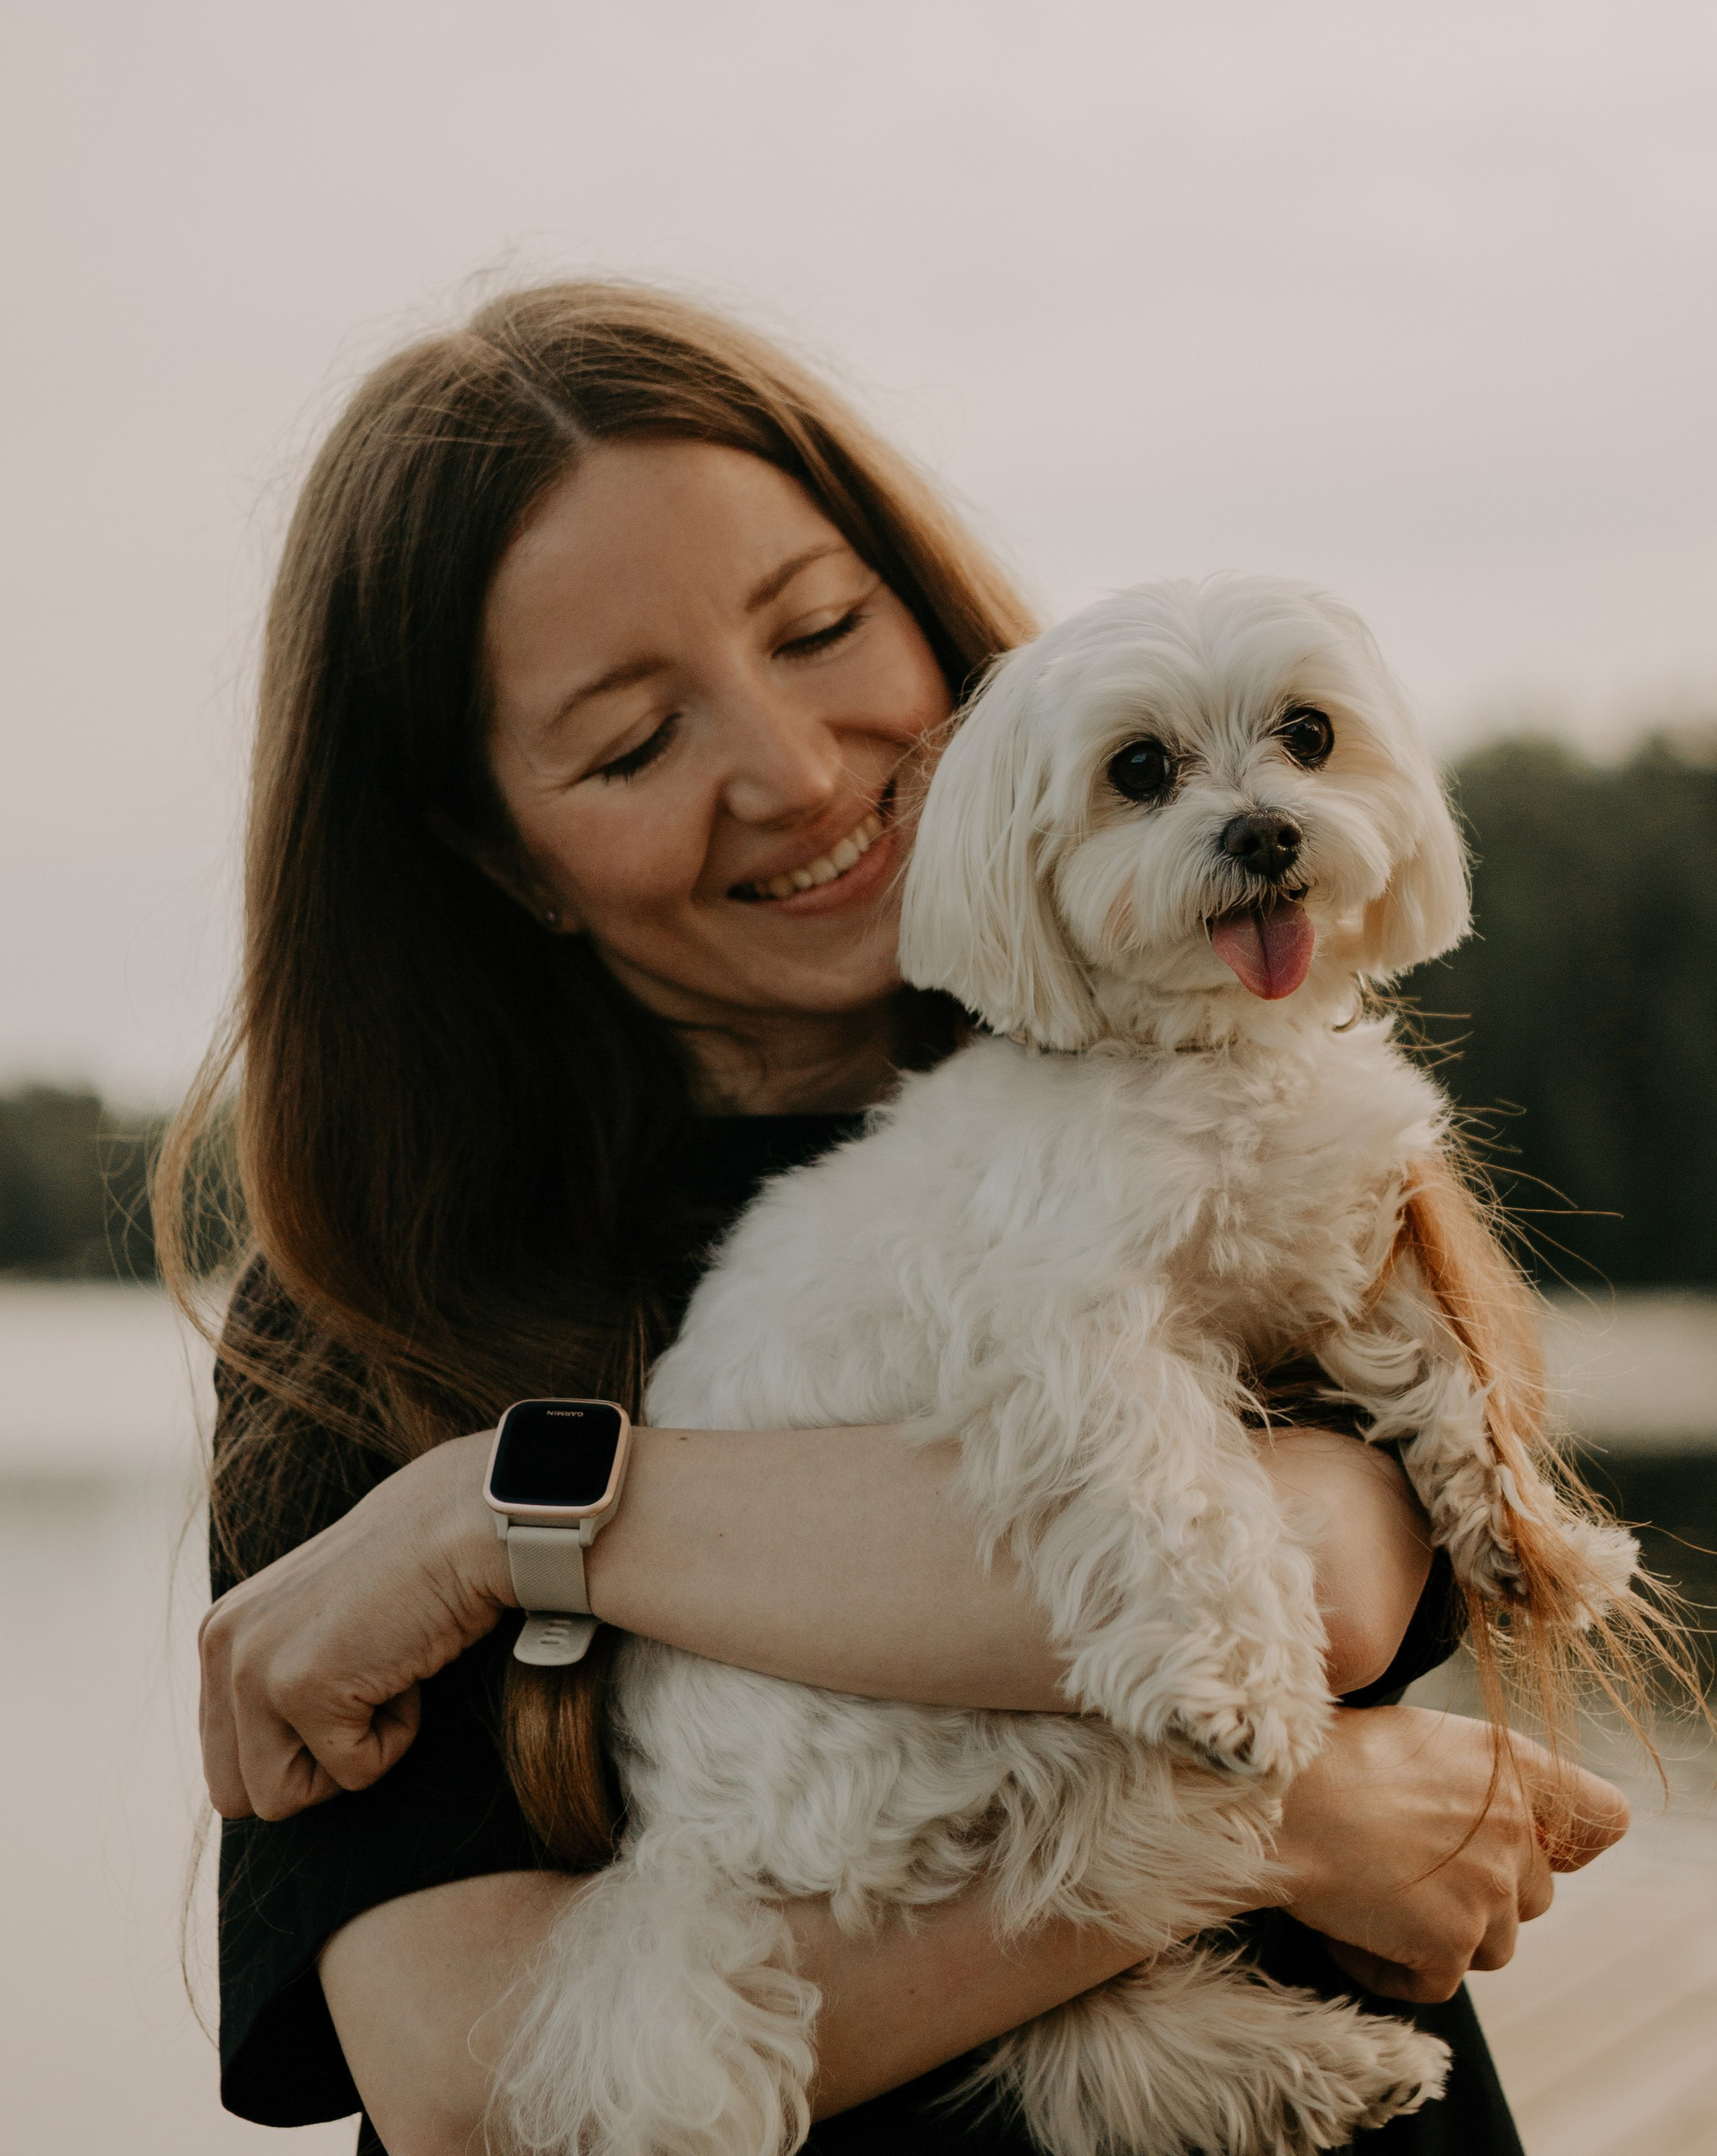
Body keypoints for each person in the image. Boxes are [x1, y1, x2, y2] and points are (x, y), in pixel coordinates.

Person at [171, 281, 1629, 2156]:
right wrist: (1275, 1829)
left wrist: (503, 1524)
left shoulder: (1230, 1059)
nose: (791, 774)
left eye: (821, 628)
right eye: (630, 745)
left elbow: (1322, 1577)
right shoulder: (365, 1310)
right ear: (489, 851)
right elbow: (463, 2079)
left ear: (926, 608)